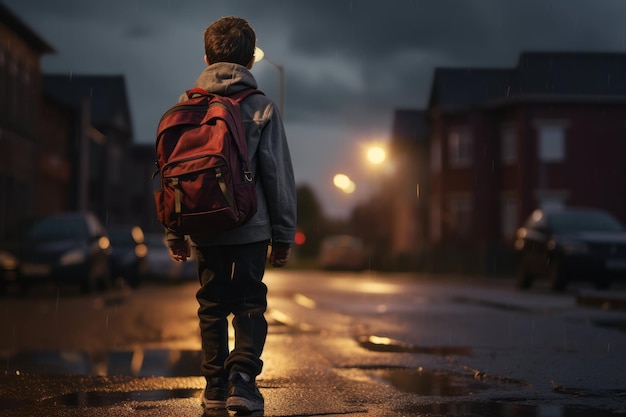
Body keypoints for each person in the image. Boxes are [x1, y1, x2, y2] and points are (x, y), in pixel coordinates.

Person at [166, 16, 297, 414]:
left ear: (206, 56)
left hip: (204, 227)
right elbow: (277, 177)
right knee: (249, 304)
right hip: (250, 228)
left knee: (210, 304)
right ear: (250, 62)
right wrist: (283, 235)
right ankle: (243, 381)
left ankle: (215, 385)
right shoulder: (260, 107)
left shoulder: (186, 107)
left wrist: (175, 233)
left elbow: (173, 174)